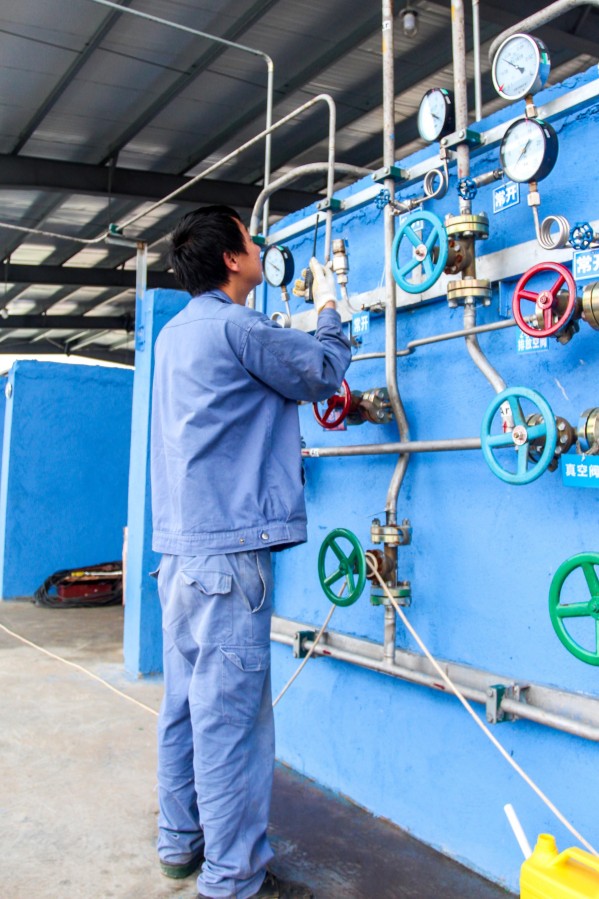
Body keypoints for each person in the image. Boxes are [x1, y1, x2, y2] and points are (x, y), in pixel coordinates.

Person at [150, 204, 351, 899]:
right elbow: (322, 370)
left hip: (178, 556)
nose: (260, 244)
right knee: (230, 723)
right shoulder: (239, 327)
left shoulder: (175, 335)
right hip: (228, 561)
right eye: (250, 236)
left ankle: (179, 843)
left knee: (183, 705)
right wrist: (330, 304)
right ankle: (233, 879)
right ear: (232, 259)